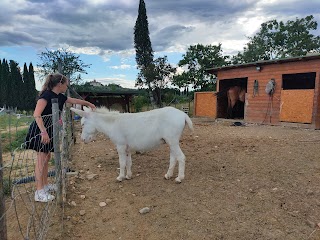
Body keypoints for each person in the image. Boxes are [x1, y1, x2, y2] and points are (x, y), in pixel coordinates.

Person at [25, 73, 96, 202]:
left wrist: (88, 103)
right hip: (40, 131)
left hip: (49, 131)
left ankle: (45, 185)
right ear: (60, 84)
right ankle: (39, 191)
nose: (67, 86)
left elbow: (74, 101)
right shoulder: (45, 96)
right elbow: (37, 115)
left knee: (46, 157)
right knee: (41, 160)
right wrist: (43, 132)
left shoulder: (60, 97)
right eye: (66, 84)